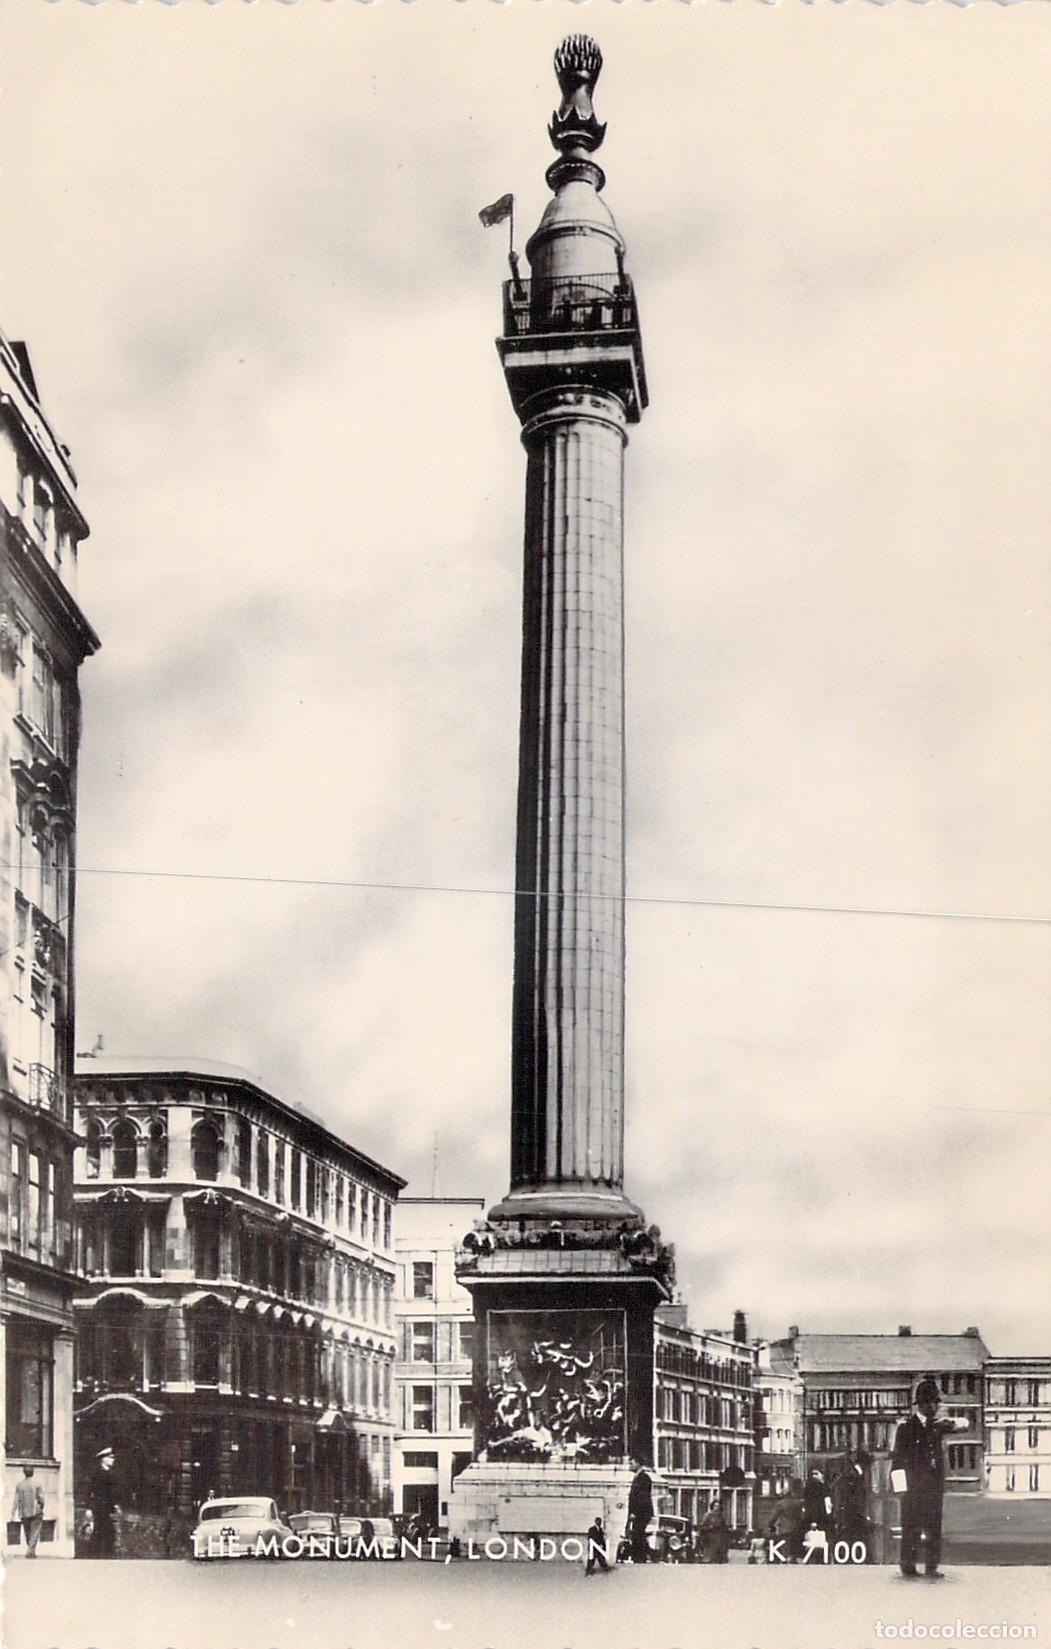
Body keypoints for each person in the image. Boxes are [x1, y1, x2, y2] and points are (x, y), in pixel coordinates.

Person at [891, 1375, 964, 1579]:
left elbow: (963, 1424)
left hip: (932, 1488)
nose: (935, 1407)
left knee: (933, 1528)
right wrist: (900, 1491)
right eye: (931, 1403)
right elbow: (898, 1461)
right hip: (912, 1490)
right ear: (921, 1404)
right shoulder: (906, 1429)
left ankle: (932, 1567)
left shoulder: (937, 1427)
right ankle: (908, 1566)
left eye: (936, 1403)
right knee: (911, 1528)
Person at [833, 1449, 872, 1561]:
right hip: (853, 1511)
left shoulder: (853, 1474)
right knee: (855, 1533)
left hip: (851, 1511)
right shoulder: (852, 1475)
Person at [89, 1447, 119, 1558]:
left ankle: (106, 1554)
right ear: (103, 1459)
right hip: (99, 1507)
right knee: (100, 1531)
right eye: (110, 1457)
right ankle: (98, 1555)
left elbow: (112, 1492)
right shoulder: (97, 1474)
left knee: (108, 1531)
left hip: (108, 1507)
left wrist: (115, 1505)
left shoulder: (111, 1473)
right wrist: (89, 1508)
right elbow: (91, 1491)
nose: (113, 1459)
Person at [12, 1465, 45, 1558]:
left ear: (24, 1472)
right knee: (34, 1532)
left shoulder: (19, 1485)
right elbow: (41, 1498)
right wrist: (42, 1507)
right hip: (36, 1511)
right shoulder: (37, 1484)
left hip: (24, 1512)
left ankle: (31, 1550)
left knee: (28, 1532)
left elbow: (16, 1499)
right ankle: (30, 1550)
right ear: (33, 1472)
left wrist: (13, 1512)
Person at [626, 1468, 653, 1564]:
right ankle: (638, 1556)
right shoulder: (638, 1477)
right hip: (639, 1513)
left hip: (641, 1513)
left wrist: (635, 1512)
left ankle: (639, 1557)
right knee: (637, 1534)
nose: (630, 1465)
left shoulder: (644, 1478)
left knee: (638, 1534)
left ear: (638, 1463)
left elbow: (642, 1498)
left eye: (632, 1463)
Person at [698, 1497, 730, 1563]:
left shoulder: (721, 1516)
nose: (717, 1507)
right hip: (710, 1538)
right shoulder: (708, 1515)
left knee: (719, 1558)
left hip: (719, 1538)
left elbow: (724, 1528)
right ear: (712, 1506)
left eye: (718, 1506)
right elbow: (702, 1527)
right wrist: (709, 1527)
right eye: (715, 1506)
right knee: (709, 1557)